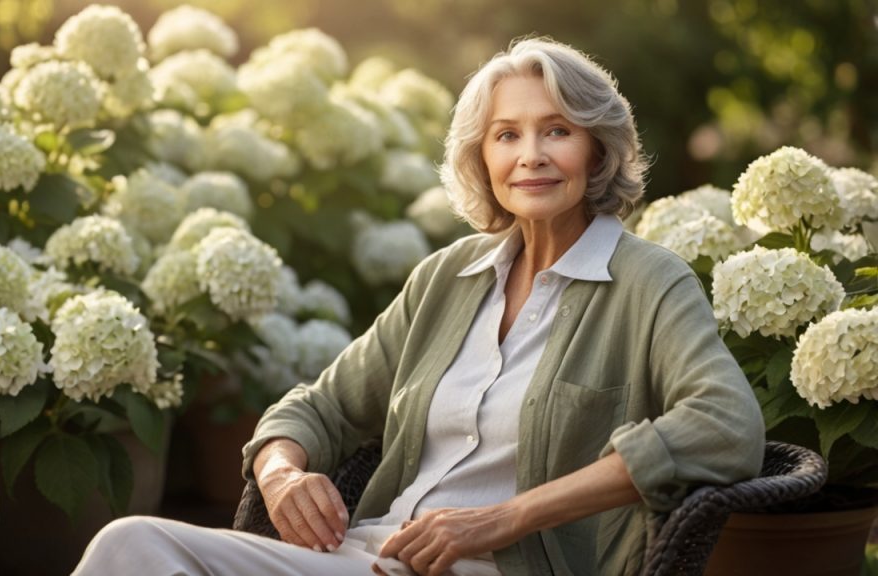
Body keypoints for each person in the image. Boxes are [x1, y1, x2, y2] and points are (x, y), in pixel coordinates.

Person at [73, 36, 765, 576]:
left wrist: (506, 518)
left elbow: (726, 426)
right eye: (507, 135)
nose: (531, 156)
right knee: (131, 546)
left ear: (596, 148)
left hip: (504, 567)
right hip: (366, 554)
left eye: (557, 130)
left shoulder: (649, 281)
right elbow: (319, 409)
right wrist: (281, 474)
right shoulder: (447, 278)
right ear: (483, 160)